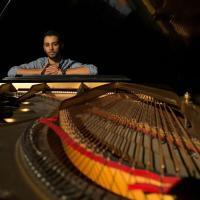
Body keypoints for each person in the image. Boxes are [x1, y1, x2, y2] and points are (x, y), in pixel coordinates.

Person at [7, 30, 98, 77]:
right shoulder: (39, 63)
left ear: (61, 45)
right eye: (47, 45)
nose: (51, 48)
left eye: (54, 44)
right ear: (44, 47)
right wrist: (41, 71)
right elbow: (12, 71)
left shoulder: (68, 63)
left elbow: (93, 69)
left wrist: (62, 72)